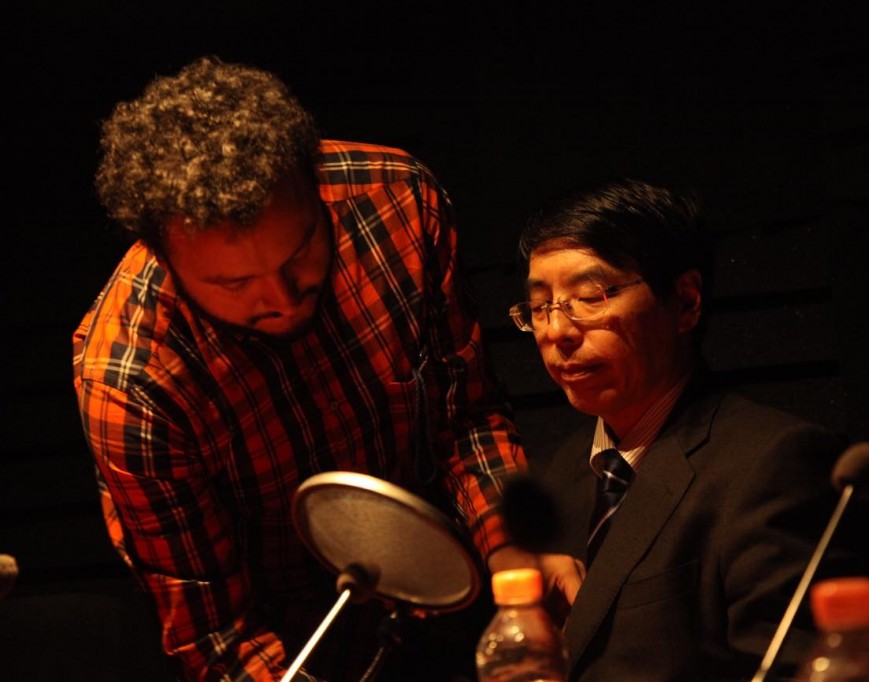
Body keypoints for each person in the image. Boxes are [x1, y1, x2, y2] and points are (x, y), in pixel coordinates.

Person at [73, 55, 533, 681]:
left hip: (457, 584)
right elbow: (218, 633)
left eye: (299, 253)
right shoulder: (131, 382)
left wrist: (517, 567)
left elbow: (469, 418)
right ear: (162, 255)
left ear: (315, 188)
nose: (284, 299)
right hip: (293, 642)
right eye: (235, 284)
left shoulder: (398, 200)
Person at [508, 178, 869, 680]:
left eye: (590, 297)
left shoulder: (772, 464)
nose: (557, 331)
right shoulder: (557, 473)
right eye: (539, 307)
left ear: (685, 303)